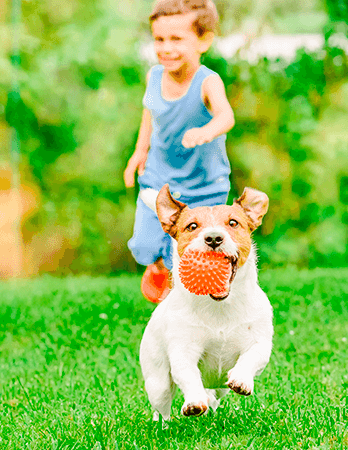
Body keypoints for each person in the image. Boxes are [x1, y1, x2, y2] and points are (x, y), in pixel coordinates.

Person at [124, 0, 235, 303]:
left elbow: (226, 116)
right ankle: (158, 267)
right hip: (159, 179)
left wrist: (206, 131)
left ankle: (187, 303)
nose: (166, 48)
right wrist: (139, 151)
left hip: (204, 185)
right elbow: (150, 113)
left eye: (176, 39)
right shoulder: (154, 76)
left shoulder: (208, 81)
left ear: (204, 40)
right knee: (145, 246)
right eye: (159, 39)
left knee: (192, 255)